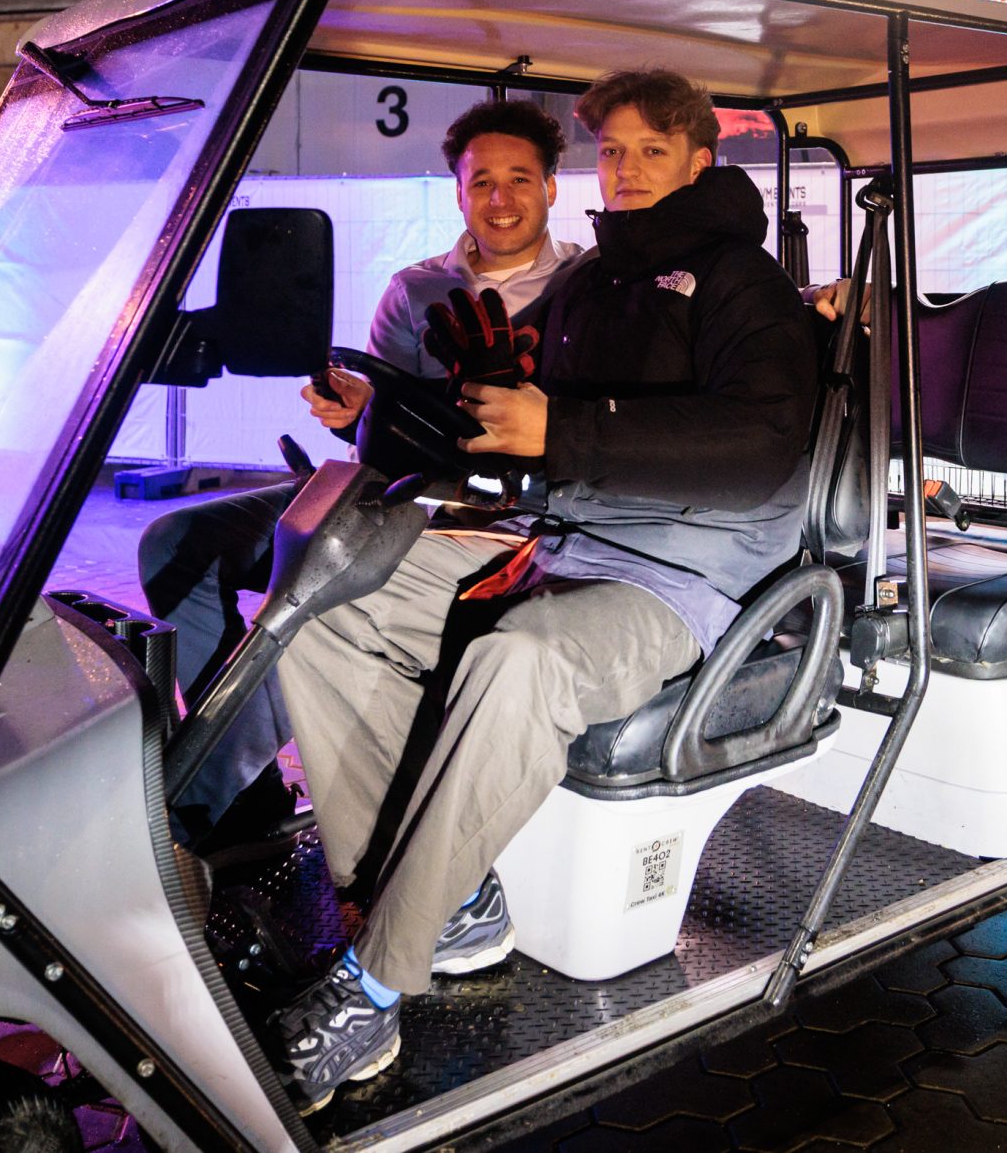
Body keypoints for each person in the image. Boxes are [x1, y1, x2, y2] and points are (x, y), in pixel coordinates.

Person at [267, 67, 817, 1113]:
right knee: (321, 601)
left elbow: (762, 441)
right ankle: (448, 897)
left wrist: (562, 428)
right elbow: (511, 425)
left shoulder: (741, 281)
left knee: (515, 659)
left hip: (683, 574)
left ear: (700, 160)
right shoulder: (592, 283)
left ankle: (375, 983)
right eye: (614, 151)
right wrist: (437, 404)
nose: (628, 169)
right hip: (560, 538)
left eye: (652, 150)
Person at [138, 98, 588, 838]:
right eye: (481, 182)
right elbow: (383, 423)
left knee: (323, 578)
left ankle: (199, 803)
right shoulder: (416, 289)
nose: (500, 199)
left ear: (550, 188)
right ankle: (246, 790)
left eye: (519, 179)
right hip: (395, 489)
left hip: (501, 511)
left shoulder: (588, 285)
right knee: (173, 542)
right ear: (459, 193)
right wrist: (357, 412)